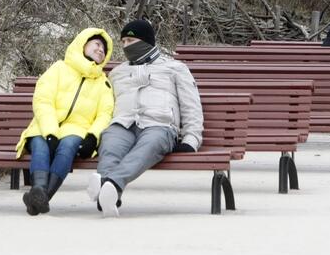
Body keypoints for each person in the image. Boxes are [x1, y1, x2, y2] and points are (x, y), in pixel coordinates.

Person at [86, 19, 203, 218]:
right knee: (110, 144)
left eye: (130, 40)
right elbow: (105, 105)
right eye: (122, 42)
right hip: (124, 122)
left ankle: (109, 184)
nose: (125, 46)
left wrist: (191, 139)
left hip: (159, 124)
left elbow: (191, 105)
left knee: (149, 146)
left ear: (145, 41)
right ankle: (109, 193)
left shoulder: (175, 68)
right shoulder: (117, 73)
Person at [15, 28, 114, 215]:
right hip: (44, 125)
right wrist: (51, 132)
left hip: (77, 130)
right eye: (97, 44)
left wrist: (93, 136)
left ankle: (40, 196)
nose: (101, 50)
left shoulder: (103, 83)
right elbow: (43, 100)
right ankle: (40, 193)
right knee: (40, 144)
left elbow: (105, 114)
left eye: (104, 49)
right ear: (83, 44)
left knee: (68, 147)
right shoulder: (58, 69)